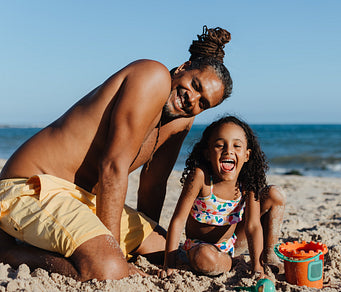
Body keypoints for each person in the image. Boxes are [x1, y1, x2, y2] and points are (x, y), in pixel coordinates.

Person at [0, 26, 233, 281]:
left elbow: (153, 185)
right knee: (109, 268)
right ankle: (10, 252)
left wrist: (141, 241)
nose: (193, 100)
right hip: (32, 188)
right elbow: (112, 166)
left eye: (203, 103)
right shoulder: (152, 75)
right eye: (195, 85)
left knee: (167, 250)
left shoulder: (181, 121)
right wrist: (116, 255)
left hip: (85, 200)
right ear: (182, 67)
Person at [161, 116, 285, 278]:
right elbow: (178, 221)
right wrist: (169, 264)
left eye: (237, 146)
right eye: (220, 145)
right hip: (200, 246)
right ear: (207, 153)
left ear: (247, 155)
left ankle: (268, 256)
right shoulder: (200, 177)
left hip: (232, 242)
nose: (228, 150)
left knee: (274, 194)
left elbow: (253, 226)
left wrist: (257, 268)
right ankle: (232, 262)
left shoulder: (247, 181)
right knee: (204, 258)